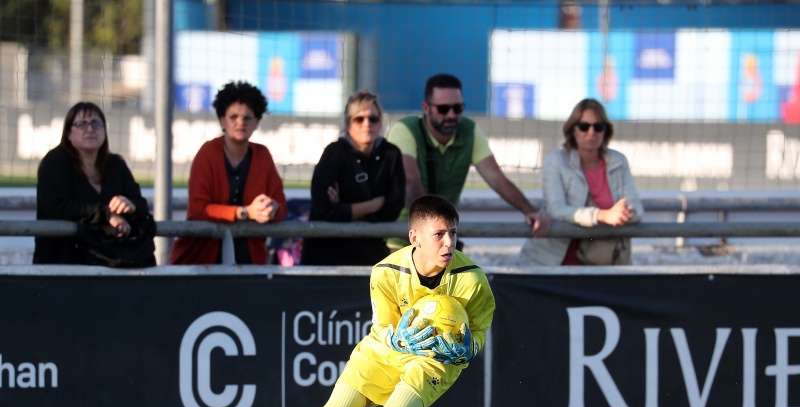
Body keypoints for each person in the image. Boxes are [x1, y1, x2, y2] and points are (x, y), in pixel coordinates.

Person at [205, 195, 495, 407]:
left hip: (434, 359)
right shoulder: (385, 271)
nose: (449, 242)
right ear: (414, 237)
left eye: (454, 233)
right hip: (381, 353)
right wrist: (399, 341)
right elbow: (384, 329)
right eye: (439, 234)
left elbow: (478, 332)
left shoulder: (472, 279)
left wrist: (466, 349)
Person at [386, 73, 550, 248]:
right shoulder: (405, 129)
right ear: (425, 108)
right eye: (443, 109)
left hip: (442, 240)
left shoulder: (469, 130)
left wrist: (530, 212)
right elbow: (410, 180)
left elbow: (496, 178)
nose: (451, 115)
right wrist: (431, 226)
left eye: (458, 108)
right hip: (400, 236)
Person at [169, 81, 287, 265]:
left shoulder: (263, 156)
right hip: (201, 260)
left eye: (247, 117)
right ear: (222, 120)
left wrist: (272, 209)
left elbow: (280, 204)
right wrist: (245, 212)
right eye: (233, 117)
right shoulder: (207, 154)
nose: (240, 122)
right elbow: (199, 209)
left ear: (256, 122)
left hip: (249, 262)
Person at [516, 98, 644, 266]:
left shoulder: (618, 161)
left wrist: (624, 214)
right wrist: (603, 215)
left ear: (606, 131)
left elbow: (637, 209)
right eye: (584, 127)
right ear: (572, 130)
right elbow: (556, 210)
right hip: (556, 263)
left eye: (598, 127)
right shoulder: (556, 160)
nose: (591, 132)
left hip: (604, 266)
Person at [33, 102, 151, 264]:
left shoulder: (116, 164)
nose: (90, 129)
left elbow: (141, 205)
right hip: (62, 263)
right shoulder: (54, 163)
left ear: (105, 130)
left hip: (113, 261)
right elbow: (57, 207)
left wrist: (129, 206)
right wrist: (107, 215)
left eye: (96, 123)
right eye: (81, 124)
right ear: (68, 133)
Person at [300, 90, 405, 265]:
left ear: (380, 123)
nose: (367, 124)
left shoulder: (391, 154)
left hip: (370, 254)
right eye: (359, 119)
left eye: (373, 118)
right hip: (327, 255)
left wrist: (344, 208)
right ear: (348, 124)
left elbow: (393, 209)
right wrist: (371, 206)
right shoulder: (333, 154)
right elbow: (322, 209)